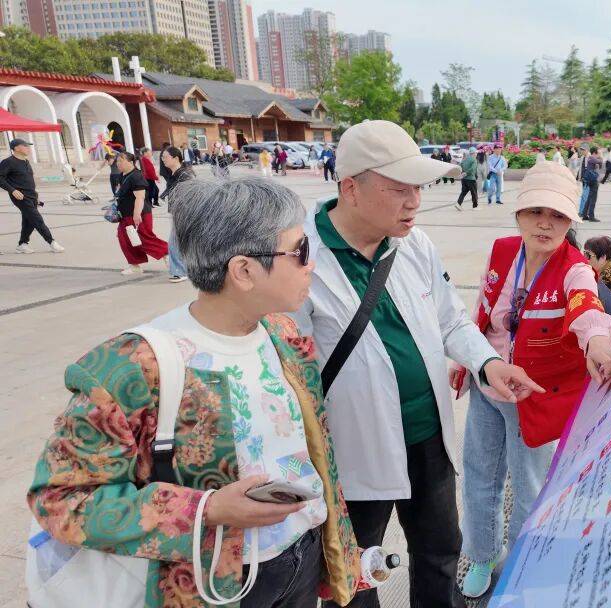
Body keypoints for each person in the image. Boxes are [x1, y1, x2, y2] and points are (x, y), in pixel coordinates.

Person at [27, 177, 371, 608]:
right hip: (209, 583)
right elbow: (60, 499)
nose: (312, 265)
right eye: (300, 251)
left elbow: (314, 451)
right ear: (244, 271)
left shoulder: (282, 333)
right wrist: (207, 509)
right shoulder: (132, 367)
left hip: (302, 556)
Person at [294, 120, 541, 608]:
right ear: (351, 188)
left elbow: (451, 320)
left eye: (418, 188)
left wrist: (488, 363)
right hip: (354, 448)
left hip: (427, 436)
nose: (414, 202)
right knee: (355, 569)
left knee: (440, 549)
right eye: (399, 189)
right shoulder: (301, 257)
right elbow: (292, 370)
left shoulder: (414, 244)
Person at [458, 162, 611, 598]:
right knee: (479, 476)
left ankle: (522, 564)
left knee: (530, 487)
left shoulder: (575, 268)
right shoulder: (502, 250)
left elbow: (587, 307)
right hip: (488, 385)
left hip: (534, 396)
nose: (545, 223)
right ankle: (482, 555)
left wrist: (597, 341)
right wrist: (468, 359)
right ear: (518, 213)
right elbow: (484, 308)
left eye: (557, 215)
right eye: (535, 211)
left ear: (570, 221)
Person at [0, 138, 63, 253]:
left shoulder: (26, 161)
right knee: (37, 219)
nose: (28, 148)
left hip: (31, 196)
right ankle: (52, 242)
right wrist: (12, 190)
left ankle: (22, 244)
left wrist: (36, 195)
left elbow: (29, 180)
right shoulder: (8, 162)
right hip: (20, 197)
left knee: (29, 220)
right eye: (25, 146)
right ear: (16, 148)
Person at [114, 151, 168, 275]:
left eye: (121, 161)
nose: (118, 163)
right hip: (125, 215)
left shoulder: (136, 176)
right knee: (125, 239)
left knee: (144, 239)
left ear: (131, 162)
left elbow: (140, 197)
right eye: (117, 161)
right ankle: (135, 265)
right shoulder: (122, 175)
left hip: (138, 214)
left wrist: (136, 214)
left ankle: (168, 253)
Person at [160, 145, 196, 283]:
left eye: (165, 157)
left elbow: (190, 195)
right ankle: (187, 269)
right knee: (182, 242)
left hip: (184, 212)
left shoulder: (184, 174)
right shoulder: (175, 174)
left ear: (175, 158)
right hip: (178, 211)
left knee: (174, 243)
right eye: (162, 157)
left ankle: (180, 271)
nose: (163, 159)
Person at [581, 146, 602, 222]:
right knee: (593, 199)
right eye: (598, 152)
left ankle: (584, 215)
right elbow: (600, 162)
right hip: (593, 181)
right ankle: (591, 216)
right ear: (595, 152)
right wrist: (600, 156)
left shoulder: (590, 158)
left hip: (590, 180)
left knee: (589, 198)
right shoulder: (592, 158)